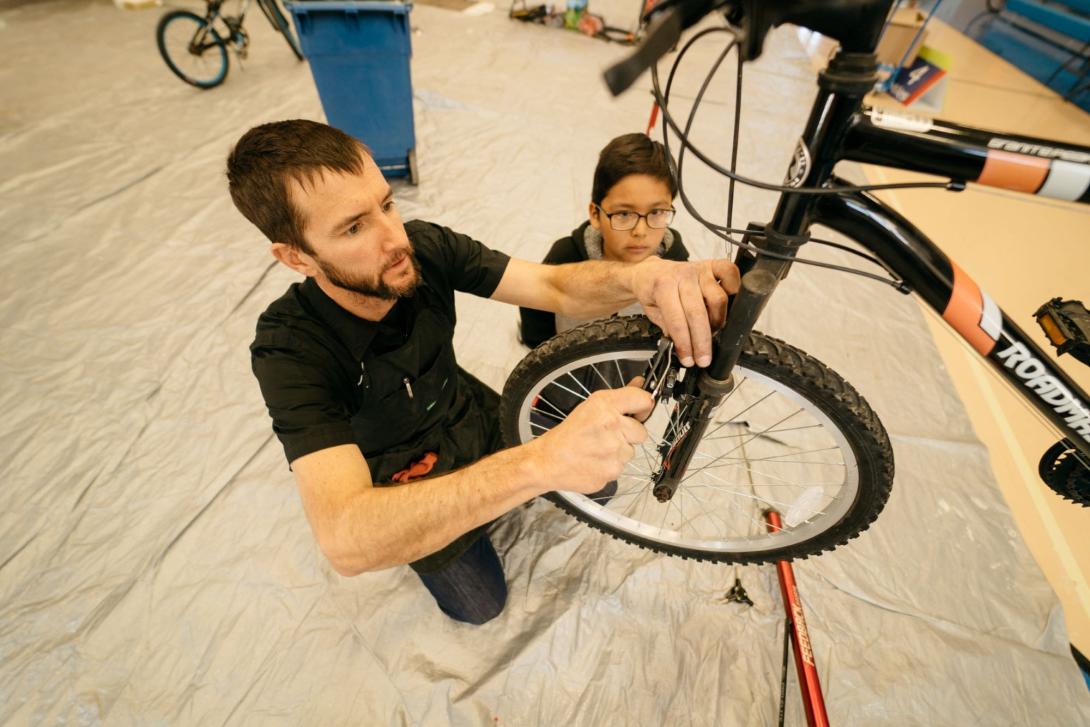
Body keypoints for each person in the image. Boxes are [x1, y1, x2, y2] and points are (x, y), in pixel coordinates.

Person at [227, 119, 739, 625]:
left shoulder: (425, 248)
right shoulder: (290, 349)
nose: (395, 239)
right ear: (295, 257)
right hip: (401, 474)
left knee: (598, 483)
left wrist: (639, 276)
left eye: (386, 204)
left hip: (464, 411)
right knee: (480, 607)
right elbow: (345, 540)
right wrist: (539, 463)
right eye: (355, 227)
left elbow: (554, 287)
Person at [519, 133, 690, 348]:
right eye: (624, 214)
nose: (640, 230)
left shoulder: (676, 265)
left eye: (656, 212)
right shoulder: (566, 256)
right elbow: (535, 301)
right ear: (595, 214)